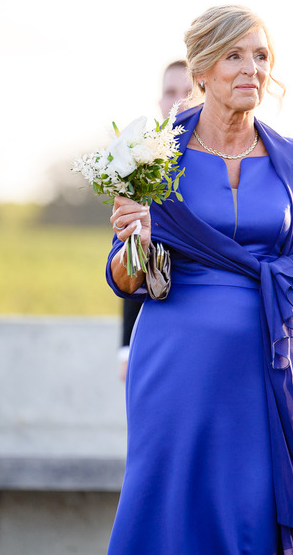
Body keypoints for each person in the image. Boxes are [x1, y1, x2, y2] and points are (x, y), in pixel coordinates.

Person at [104, 5, 293, 554]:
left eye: (260, 56)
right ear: (203, 71)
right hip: (174, 355)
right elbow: (124, 278)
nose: (251, 69)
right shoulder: (153, 154)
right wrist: (135, 238)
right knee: (170, 500)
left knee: (249, 504)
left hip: (261, 357)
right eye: (234, 56)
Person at [117, 59, 190, 382]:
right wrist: (126, 348)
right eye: (170, 93)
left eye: (189, 92)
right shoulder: (141, 168)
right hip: (160, 329)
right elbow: (130, 257)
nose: (179, 102)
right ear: (159, 102)